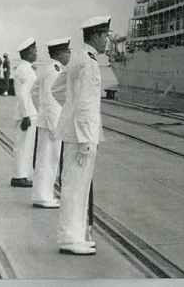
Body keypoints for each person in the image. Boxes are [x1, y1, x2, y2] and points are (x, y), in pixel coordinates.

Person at [56, 15, 110, 256]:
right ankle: (69, 237)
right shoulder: (88, 63)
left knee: (79, 187)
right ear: (95, 36)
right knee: (75, 188)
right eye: (105, 36)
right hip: (82, 136)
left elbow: (58, 90)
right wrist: (86, 138)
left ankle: (76, 235)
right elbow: (86, 104)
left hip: (76, 131)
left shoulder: (77, 58)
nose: (107, 41)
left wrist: (69, 113)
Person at [32, 37, 70, 209]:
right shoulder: (55, 71)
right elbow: (51, 99)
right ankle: (43, 196)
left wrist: (41, 112)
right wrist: (55, 125)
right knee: (48, 160)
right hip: (52, 124)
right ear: (60, 54)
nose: (69, 54)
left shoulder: (47, 68)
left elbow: (34, 92)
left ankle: (45, 194)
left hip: (46, 120)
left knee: (46, 159)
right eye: (67, 51)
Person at [11, 38, 39, 188]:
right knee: (23, 146)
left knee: (26, 146)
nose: (36, 53)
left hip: (28, 113)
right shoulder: (24, 70)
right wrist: (26, 115)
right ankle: (19, 176)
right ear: (28, 53)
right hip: (26, 115)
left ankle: (23, 175)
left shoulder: (26, 68)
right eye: (35, 50)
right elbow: (22, 93)